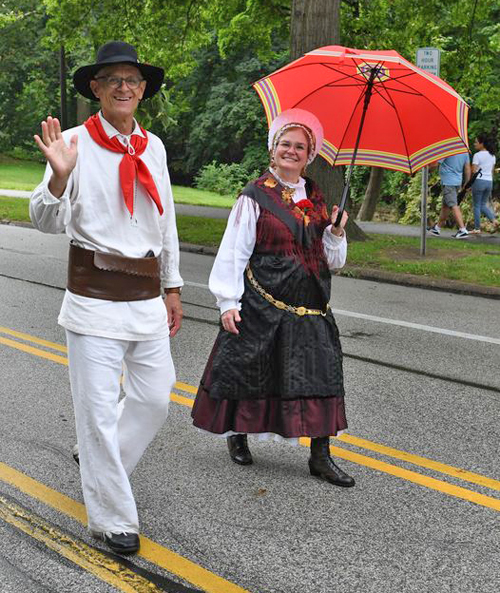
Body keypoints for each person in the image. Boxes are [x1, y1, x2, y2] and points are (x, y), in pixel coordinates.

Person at [30, 41, 183, 555]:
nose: (124, 87)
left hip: (145, 296)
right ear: (95, 89)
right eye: (113, 79)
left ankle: (98, 457)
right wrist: (59, 176)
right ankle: (111, 517)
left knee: (156, 397)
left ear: (143, 91)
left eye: (132, 80)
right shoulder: (71, 143)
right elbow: (45, 221)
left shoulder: (154, 148)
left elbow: (166, 223)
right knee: (95, 412)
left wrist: (173, 285)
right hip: (93, 297)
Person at [191, 108, 355, 488]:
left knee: (320, 374)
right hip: (263, 301)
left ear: (309, 154)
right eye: (285, 144)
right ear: (273, 148)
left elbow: (333, 262)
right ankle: (238, 433)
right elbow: (234, 250)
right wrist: (228, 302)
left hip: (310, 303)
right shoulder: (254, 196)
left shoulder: (315, 196)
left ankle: (321, 456)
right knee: (251, 370)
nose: (292, 151)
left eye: (300, 146)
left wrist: (334, 233)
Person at [428, 152, 471, 239]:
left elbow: (435, 164)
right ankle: (437, 228)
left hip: (448, 182)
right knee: (446, 206)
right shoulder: (464, 150)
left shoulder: (447, 149)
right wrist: (467, 183)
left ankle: (462, 230)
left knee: (453, 205)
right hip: (457, 181)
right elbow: (467, 168)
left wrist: (427, 171)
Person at [470, 134, 498, 234]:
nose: (474, 144)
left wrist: (469, 184)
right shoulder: (493, 156)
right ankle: (494, 221)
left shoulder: (477, 155)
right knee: (482, 204)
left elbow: (473, 171)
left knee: (477, 205)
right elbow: (491, 171)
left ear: (482, 143)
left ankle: (477, 228)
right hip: (489, 182)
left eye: (476, 142)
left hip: (479, 181)